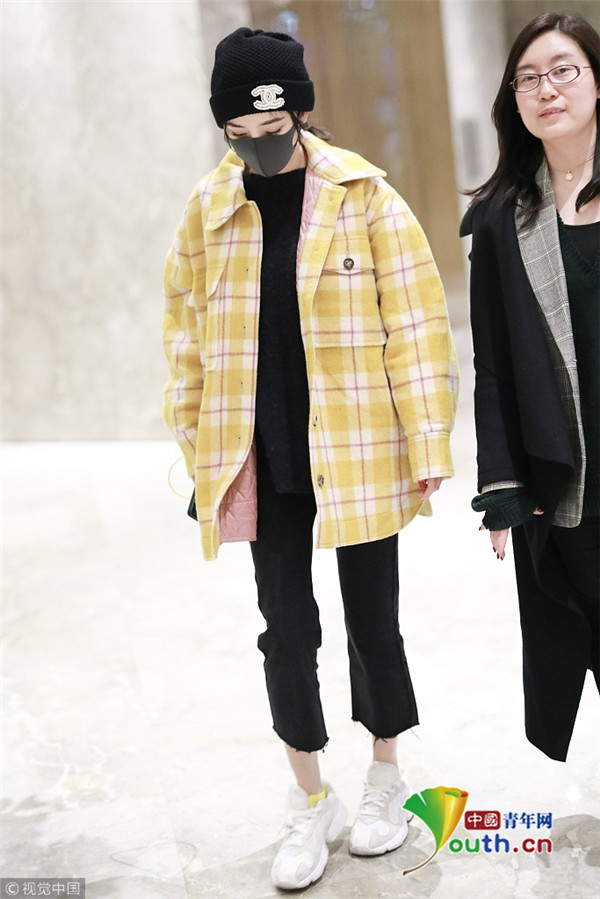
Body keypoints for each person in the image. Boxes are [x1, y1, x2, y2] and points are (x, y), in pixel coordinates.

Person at [162, 27, 458, 890]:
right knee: (285, 631)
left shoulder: (366, 197)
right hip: (262, 453)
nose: (259, 145)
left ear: (299, 112)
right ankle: (310, 795)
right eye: (239, 133)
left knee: (374, 621)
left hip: (357, 443)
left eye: (273, 127)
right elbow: (184, 337)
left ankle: (385, 780)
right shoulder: (208, 210)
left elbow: (416, 324)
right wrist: (199, 448)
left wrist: (427, 438)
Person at [461, 12, 599, 763]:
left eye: (564, 70)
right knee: (587, 629)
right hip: (569, 472)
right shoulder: (500, 219)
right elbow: (493, 366)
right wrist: (504, 485)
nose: (547, 89)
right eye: (528, 78)